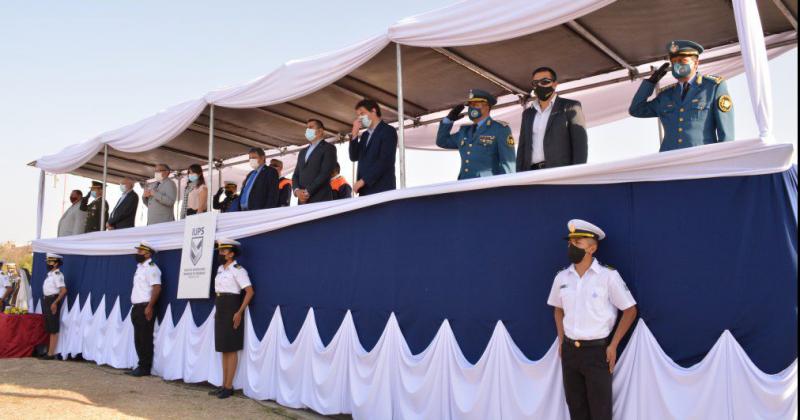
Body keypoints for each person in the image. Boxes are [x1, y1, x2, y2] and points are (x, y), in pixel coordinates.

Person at [547, 219, 638, 420]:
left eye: (577, 243)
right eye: (570, 243)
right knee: (576, 410)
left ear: (592, 248)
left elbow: (630, 310)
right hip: (570, 353)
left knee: (600, 412)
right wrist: (562, 341)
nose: (571, 247)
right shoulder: (562, 278)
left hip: (597, 353)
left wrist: (613, 345)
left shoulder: (607, 277)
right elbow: (557, 310)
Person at [629, 40, 734, 151]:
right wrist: (650, 83)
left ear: (696, 63)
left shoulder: (712, 87)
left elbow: (726, 134)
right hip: (671, 160)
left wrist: (722, 160)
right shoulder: (666, 95)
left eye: (682, 60)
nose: (677, 65)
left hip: (701, 160)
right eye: (674, 62)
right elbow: (636, 110)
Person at [517, 67, 588, 171]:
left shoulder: (570, 106)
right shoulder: (528, 114)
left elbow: (580, 146)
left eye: (545, 82)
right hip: (531, 174)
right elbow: (522, 148)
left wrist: (576, 174)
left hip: (559, 173)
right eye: (535, 83)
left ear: (555, 84)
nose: (540, 85)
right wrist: (519, 176)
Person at [209, 238, 254, 399]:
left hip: (232, 307)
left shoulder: (238, 269)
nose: (220, 253)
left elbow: (249, 291)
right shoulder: (221, 269)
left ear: (232, 254)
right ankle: (223, 384)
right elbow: (219, 291)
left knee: (231, 347)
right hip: (221, 306)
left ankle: (229, 386)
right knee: (223, 348)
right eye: (220, 250)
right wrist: (217, 309)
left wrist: (239, 312)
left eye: (223, 251)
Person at [437, 89, 516, 179]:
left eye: (476, 104)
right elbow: (442, 141)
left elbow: (508, 164)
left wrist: (505, 189)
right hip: (464, 184)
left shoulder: (500, 129)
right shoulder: (464, 131)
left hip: (487, 186)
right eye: (470, 105)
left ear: (487, 107)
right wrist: (448, 120)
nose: (472, 108)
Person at [126, 241, 162, 377]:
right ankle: (140, 364)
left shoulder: (151, 268)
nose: (137, 254)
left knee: (145, 338)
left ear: (147, 253)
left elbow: (157, 288)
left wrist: (150, 306)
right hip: (136, 307)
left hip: (145, 306)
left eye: (140, 251)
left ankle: (145, 367)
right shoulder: (140, 268)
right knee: (138, 338)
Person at [348, 99, 397, 196]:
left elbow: (385, 160)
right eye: (358, 115)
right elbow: (354, 157)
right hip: (364, 190)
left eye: (362, 113)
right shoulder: (365, 135)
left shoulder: (388, 131)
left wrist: (363, 180)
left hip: (381, 189)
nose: (360, 118)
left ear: (373, 111)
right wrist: (354, 135)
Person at [293, 119, 337, 205]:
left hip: (320, 199)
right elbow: (296, 175)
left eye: (311, 127)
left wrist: (307, 192)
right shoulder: (302, 152)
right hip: (302, 201)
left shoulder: (328, 148)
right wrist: (297, 190)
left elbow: (325, 173)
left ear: (320, 131)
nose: (307, 130)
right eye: (307, 128)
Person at [41, 253, 68, 360]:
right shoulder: (50, 275)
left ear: (56, 264)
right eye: (48, 261)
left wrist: (55, 303)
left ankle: (51, 354)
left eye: (50, 262)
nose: (48, 264)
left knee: (53, 328)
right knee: (49, 327)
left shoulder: (57, 275)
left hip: (52, 300)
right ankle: (49, 351)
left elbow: (63, 290)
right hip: (47, 300)